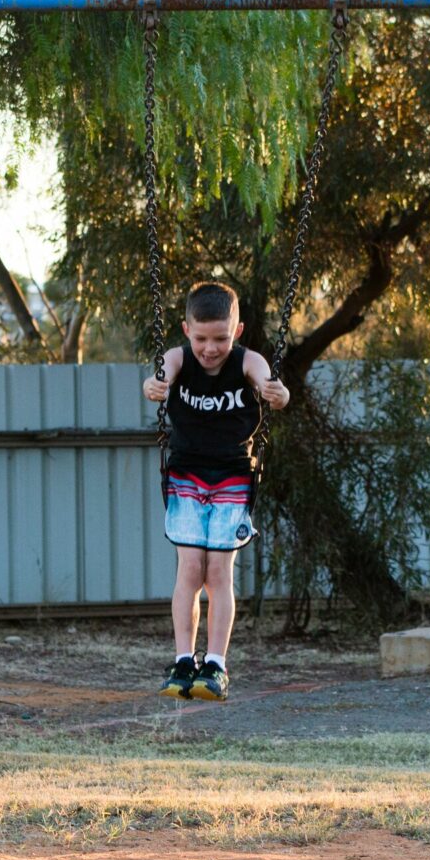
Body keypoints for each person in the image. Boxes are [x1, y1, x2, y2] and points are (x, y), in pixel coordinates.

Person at [142, 281, 291, 700]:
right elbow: (158, 378)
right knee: (190, 569)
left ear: (237, 331)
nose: (211, 348)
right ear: (187, 330)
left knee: (218, 572)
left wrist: (276, 392)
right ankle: (184, 660)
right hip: (186, 476)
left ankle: (217, 666)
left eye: (221, 338)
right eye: (202, 338)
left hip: (232, 476)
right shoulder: (177, 357)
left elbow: (270, 385)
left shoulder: (248, 361)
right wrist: (155, 387)